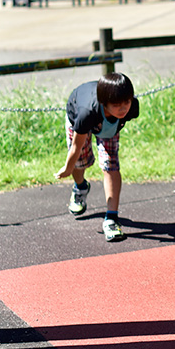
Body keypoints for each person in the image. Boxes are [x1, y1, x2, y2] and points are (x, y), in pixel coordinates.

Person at [57, 72, 139, 242]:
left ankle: (111, 218)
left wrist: (111, 121)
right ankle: (80, 186)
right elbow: (76, 147)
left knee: (111, 165)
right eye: (117, 105)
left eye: (127, 102)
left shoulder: (131, 108)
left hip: (109, 125)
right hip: (80, 119)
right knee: (80, 162)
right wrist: (67, 167)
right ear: (104, 103)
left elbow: (122, 110)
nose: (124, 108)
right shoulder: (86, 113)